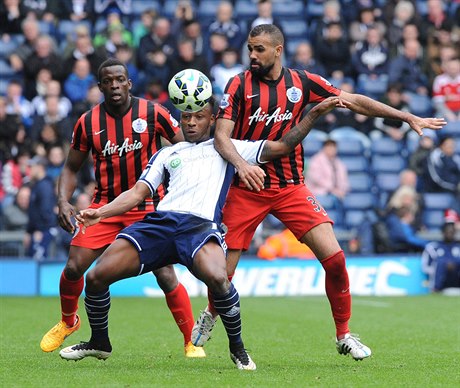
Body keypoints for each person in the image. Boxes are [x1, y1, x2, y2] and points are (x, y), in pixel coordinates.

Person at [192, 24, 446, 361]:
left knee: (336, 260)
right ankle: (210, 314)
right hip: (246, 187)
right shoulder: (238, 84)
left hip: (290, 187)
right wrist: (241, 165)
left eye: (259, 49)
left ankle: (343, 334)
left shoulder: (302, 83)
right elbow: (221, 137)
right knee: (222, 273)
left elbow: (352, 101)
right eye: (250, 49)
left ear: (278, 50)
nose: (252, 55)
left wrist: (404, 115)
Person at [59, 94, 344, 369]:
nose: (191, 122)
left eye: (199, 116)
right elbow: (136, 193)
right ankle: (99, 342)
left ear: (212, 120)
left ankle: (238, 349)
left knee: (219, 279)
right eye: (186, 117)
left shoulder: (227, 148)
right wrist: (101, 212)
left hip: (198, 227)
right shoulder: (167, 153)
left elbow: (281, 147)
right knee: (95, 277)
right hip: (160, 224)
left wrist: (314, 114)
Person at [39, 58, 204, 359]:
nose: (114, 85)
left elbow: (186, 153)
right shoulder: (87, 122)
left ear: (129, 83)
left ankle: (190, 341)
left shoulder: (153, 113)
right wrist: (63, 201)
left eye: (120, 79)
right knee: (74, 266)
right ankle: (68, 322)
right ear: (100, 86)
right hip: (104, 207)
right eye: (108, 81)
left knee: (165, 273)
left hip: (148, 206)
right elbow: (71, 168)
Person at [422, 217, 460, 293]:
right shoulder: (433, 247)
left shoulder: (458, 246)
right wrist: (443, 266)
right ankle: (436, 290)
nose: (450, 234)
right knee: (441, 262)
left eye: (452, 232)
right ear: (443, 232)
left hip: (456, 277)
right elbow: (425, 267)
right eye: (448, 231)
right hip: (440, 279)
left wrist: (455, 264)